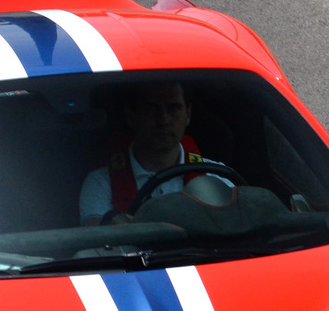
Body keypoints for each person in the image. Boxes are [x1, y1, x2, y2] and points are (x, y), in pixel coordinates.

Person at [79, 82, 229, 225]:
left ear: (188, 114)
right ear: (131, 115)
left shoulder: (217, 177)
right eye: (151, 108)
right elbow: (95, 242)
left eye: (173, 108)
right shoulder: (101, 183)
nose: (163, 120)